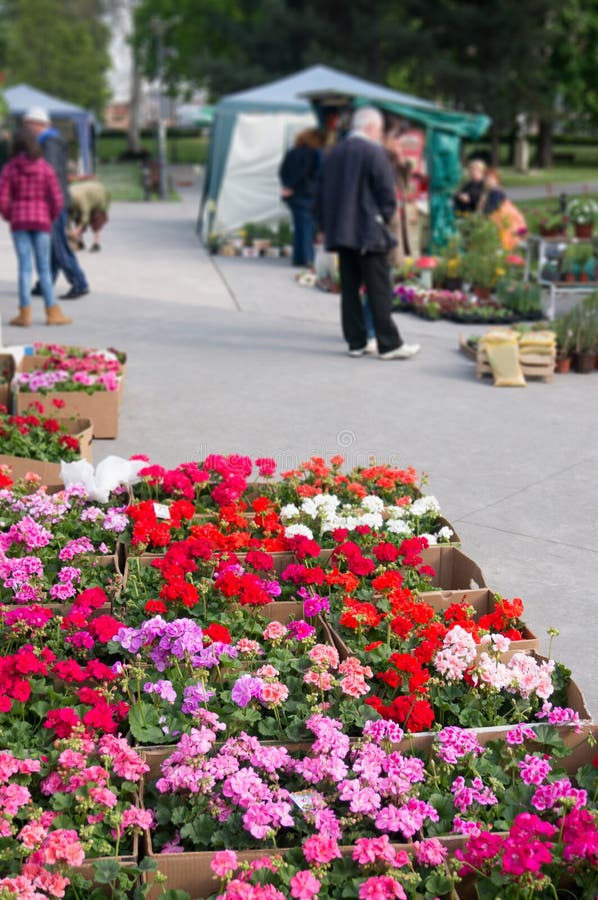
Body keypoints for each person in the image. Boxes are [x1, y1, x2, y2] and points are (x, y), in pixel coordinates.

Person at [316, 106, 420, 360]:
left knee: (350, 288)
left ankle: (356, 342)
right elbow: (386, 193)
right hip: (369, 230)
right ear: (371, 127)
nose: (380, 135)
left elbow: (320, 193)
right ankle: (389, 344)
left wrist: (325, 226)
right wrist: (383, 217)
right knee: (379, 288)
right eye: (380, 130)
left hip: (342, 232)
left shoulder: (334, 152)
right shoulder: (374, 152)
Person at [0, 128, 71, 326]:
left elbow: (2, 199)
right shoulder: (45, 167)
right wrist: (50, 216)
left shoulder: (10, 168)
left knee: (24, 268)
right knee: (44, 268)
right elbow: (57, 198)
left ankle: (24, 314)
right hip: (42, 222)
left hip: (19, 223)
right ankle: (52, 312)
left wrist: (10, 216)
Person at [23, 106, 90, 299]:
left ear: (38, 124)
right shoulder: (49, 142)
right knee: (52, 246)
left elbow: (47, 173)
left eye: (28, 124)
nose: (26, 128)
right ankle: (46, 283)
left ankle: (79, 283)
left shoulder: (49, 143)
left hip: (52, 202)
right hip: (52, 201)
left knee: (59, 246)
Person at [279, 128, 324, 267]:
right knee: (307, 228)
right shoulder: (314, 153)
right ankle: (307, 259)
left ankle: (298, 258)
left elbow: (282, 171)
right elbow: (308, 172)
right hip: (306, 194)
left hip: (292, 196)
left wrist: (287, 186)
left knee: (299, 227)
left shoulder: (291, 152)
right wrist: (292, 186)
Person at [479, 169, 527, 250]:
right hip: (504, 221)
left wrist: (482, 210)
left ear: (496, 180)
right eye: (486, 179)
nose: (488, 181)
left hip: (507, 221)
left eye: (490, 178)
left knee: (505, 236)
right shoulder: (490, 192)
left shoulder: (496, 192)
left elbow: (490, 209)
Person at [68, 177, 110, 251]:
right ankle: (80, 241)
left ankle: (96, 243)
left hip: (99, 196)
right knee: (77, 218)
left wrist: (76, 231)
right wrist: (69, 230)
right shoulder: (67, 197)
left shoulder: (81, 199)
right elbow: (68, 216)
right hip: (86, 193)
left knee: (96, 218)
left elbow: (85, 216)